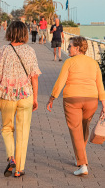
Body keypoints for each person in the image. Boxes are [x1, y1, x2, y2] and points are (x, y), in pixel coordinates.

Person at [46, 36, 105, 176]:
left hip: (72, 99)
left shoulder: (69, 62)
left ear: (77, 48)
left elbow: (61, 81)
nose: (68, 48)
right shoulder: (94, 63)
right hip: (91, 100)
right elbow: (100, 84)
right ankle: (81, 157)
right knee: (84, 127)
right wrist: (103, 102)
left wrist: (52, 98)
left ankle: (82, 164)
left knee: (75, 130)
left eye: (70, 46)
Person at [0, 21, 41, 178]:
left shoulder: (4, 50)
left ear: (10, 32)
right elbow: (34, 77)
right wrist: (35, 98)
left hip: (7, 95)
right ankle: (19, 168)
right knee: (23, 132)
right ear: (25, 34)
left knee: (7, 128)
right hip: (26, 95)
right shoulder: (30, 51)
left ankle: (10, 157)